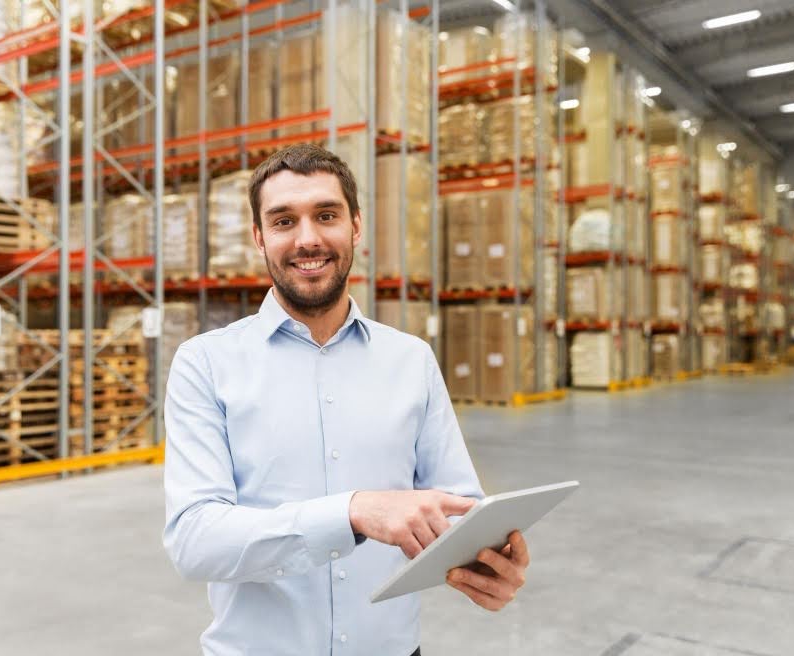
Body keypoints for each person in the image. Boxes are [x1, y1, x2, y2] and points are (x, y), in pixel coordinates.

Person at [163, 144, 530, 656]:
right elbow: (195, 542)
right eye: (284, 221)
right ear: (258, 237)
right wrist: (352, 512)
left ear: (356, 226)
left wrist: (488, 561)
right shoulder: (206, 364)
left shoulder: (411, 360)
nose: (308, 238)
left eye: (326, 215)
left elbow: (458, 507)